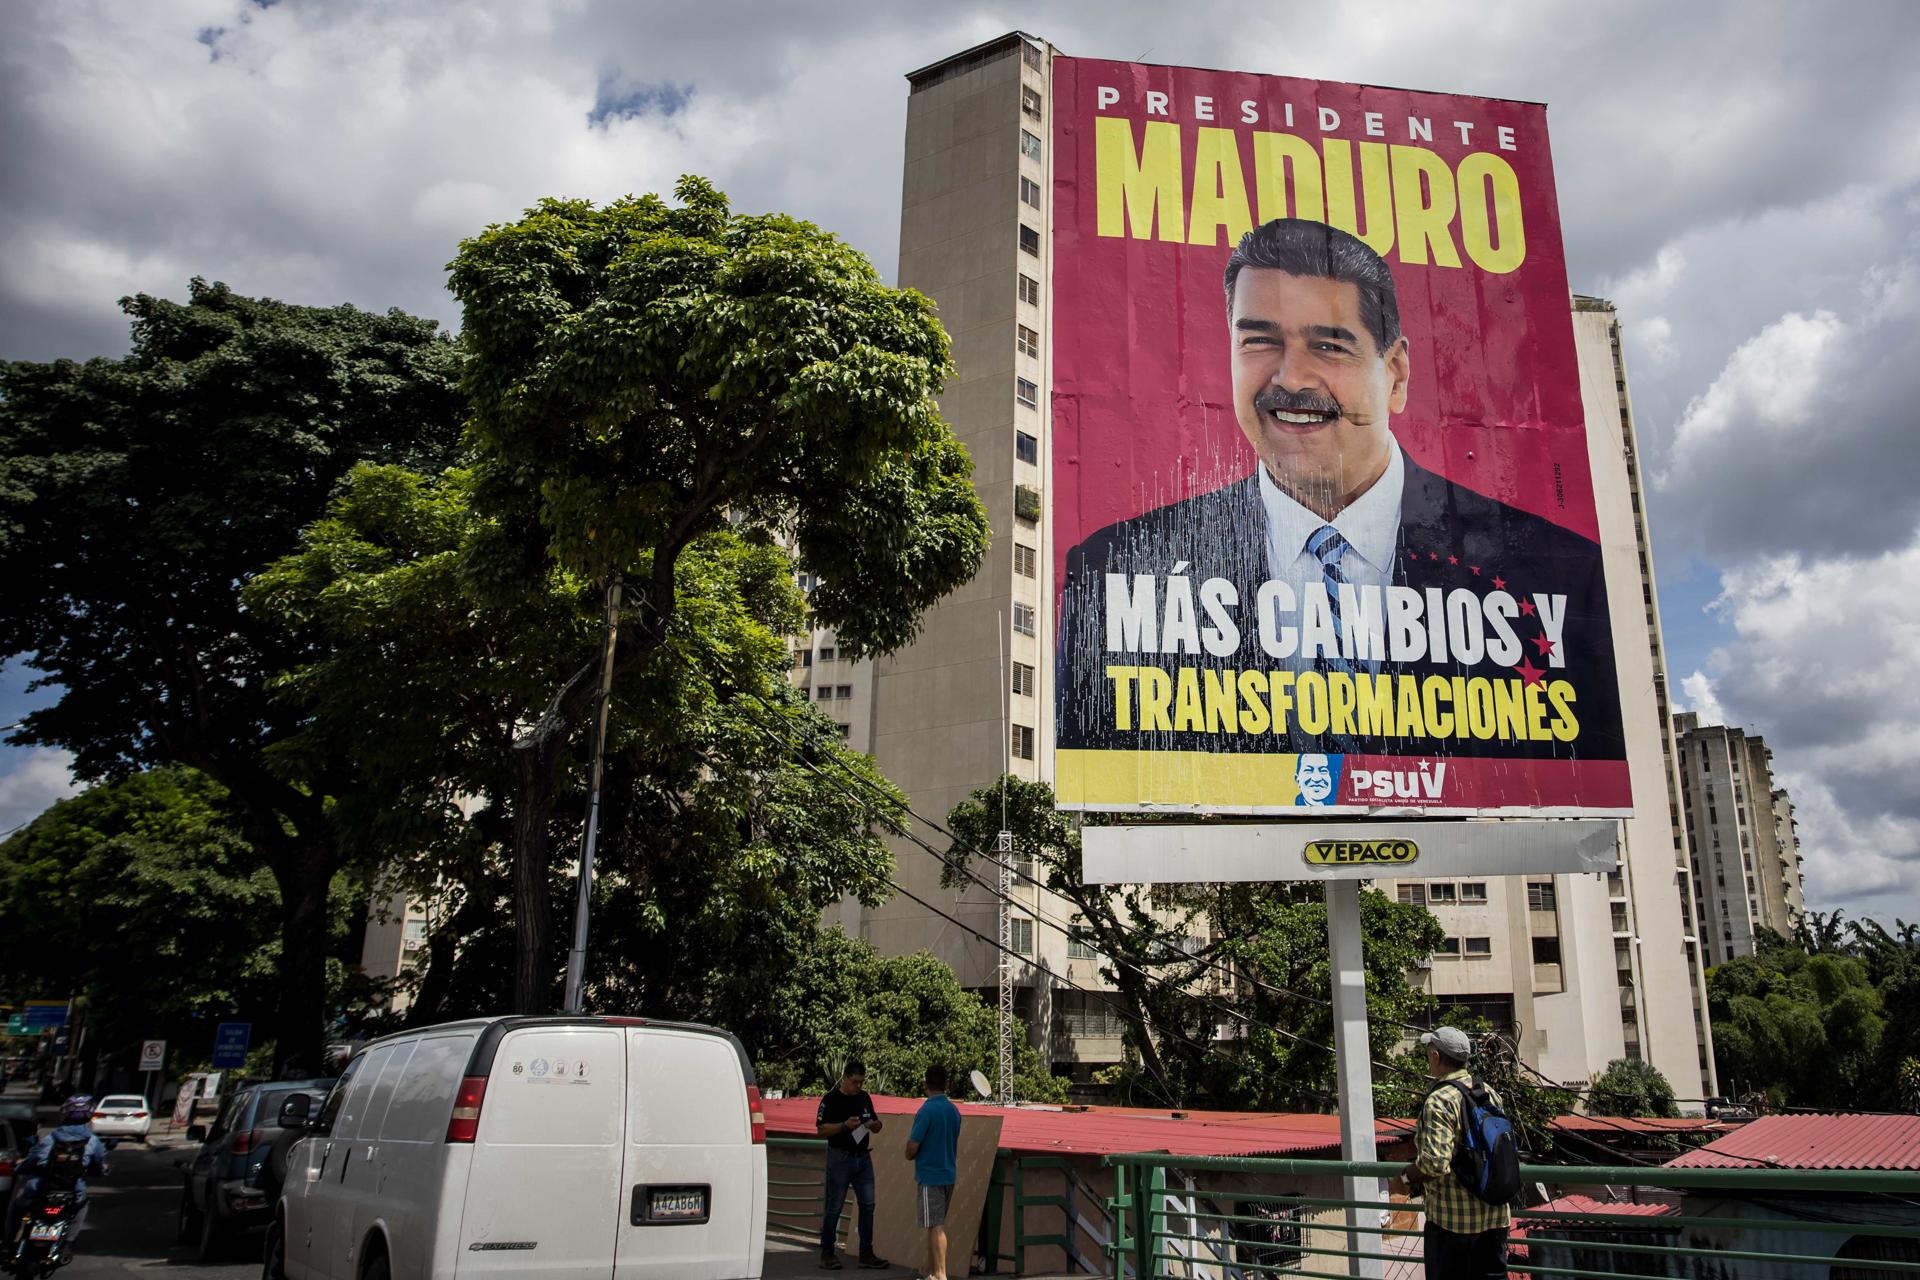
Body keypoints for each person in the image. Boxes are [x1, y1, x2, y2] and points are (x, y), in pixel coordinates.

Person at [1056, 217, 1623, 768]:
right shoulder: (1119, 570)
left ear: (1395, 373)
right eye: (1259, 341)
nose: (1291, 378)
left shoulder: (1552, 571)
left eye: (1329, 346)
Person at [1398, 1027, 1510, 1278]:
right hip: (1496, 1217)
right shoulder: (1489, 1092)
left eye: (1429, 1053)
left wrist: (1404, 1178)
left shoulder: (1439, 1099)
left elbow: (1434, 1163)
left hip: (1453, 1223)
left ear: (1436, 1056)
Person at [814, 1060, 888, 1271]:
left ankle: (866, 1252)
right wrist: (843, 1126)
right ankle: (827, 1252)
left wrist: (875, 1125)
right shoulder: (831, 1099)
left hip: (863, 1158)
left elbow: (876, 1123)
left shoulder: (864, 1098)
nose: (858, 1086)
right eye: (855, 1082)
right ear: (845, 1078)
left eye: (861, 1082)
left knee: (868, 1205)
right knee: (834, 1206)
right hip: (840, 1158)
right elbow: (821, 1130)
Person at [9, 1094, 107, 1245]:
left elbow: (30, 1162)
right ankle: (68, 1242)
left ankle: (8, 1241)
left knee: (18, 1207)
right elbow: (97, 1165)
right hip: (73, 1191)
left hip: (39, 1188)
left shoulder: (50, 1139)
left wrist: (19, 1168)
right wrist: (98, 1172)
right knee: (81, 1207)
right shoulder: (93, 1142)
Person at [904, 1064, 962, 1280]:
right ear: (946, 1084)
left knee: (935, 1225)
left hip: (930, 1175)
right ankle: (930, 1272)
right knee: (933, 1224)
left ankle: (940, 1274)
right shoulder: (953, 1111)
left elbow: (913, 1146)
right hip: (948, 1173)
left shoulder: (926, 1110)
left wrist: (909, 1154)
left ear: (925, 1084)